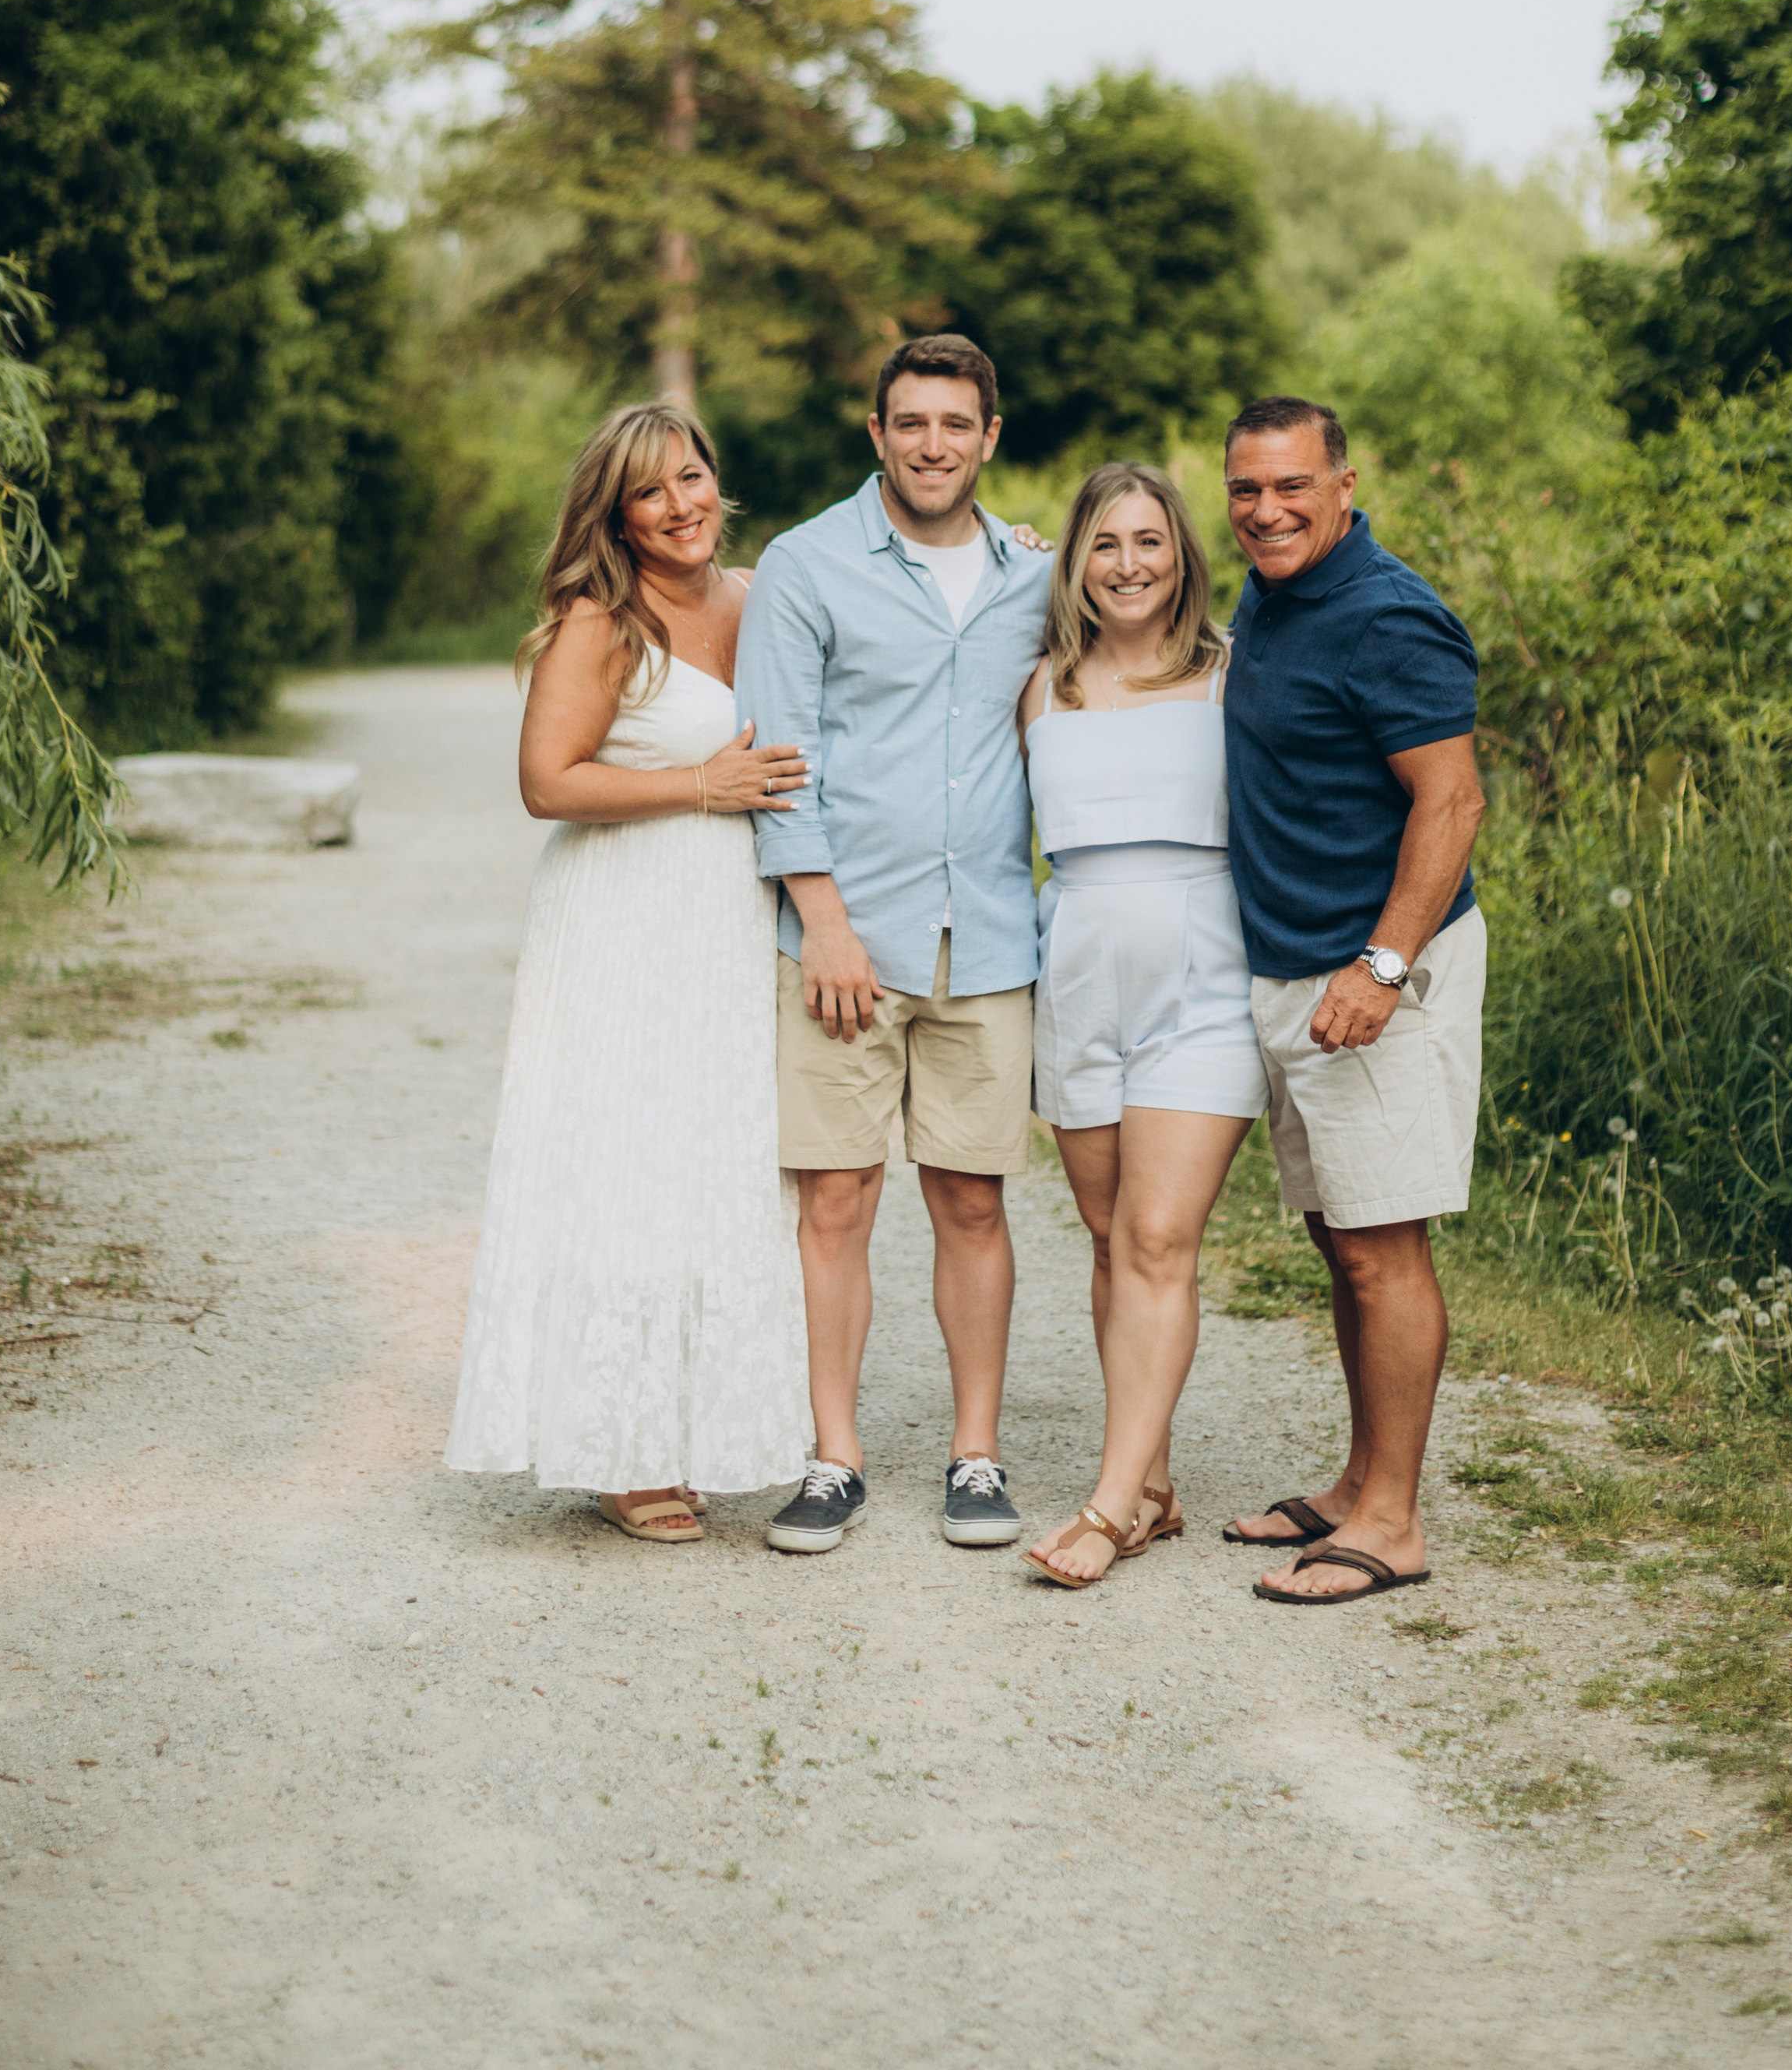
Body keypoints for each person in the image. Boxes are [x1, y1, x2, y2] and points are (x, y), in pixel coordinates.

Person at [444, 403, 812, 1538]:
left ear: (718, 479)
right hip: (619, 921)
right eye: (650, 492)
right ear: (617, 514)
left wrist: (1018, 561)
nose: (680, 506)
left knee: (714, 1166)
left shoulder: (760, 598)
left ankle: (682, 1422)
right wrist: (704, 786)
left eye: (691, 477)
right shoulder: (600, 621)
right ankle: (616, 1445)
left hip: (725, 923)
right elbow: (547, 781)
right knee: (623, 1164)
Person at [734, 334, 1051, 1554]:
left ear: (990, 438)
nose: (933, 444)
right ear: (877, 434)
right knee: (837, 1199)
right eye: (910, 422)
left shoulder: (1036, 572)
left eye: (955, 424)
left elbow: (1139, 648)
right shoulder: (806, 567)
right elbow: (780, 758)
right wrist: (822, 922)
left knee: (973, 1200)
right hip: (843, 943)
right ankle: (835, 1458)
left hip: (988, 942)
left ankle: (977, 1457)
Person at [1217, 396, 1487, 1607]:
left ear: (1344, 482)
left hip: (1374, 975)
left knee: (1384, 1250)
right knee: (1342, 1238)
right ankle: (1356, 1483)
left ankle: (1395, 1523)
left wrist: (1383, 969)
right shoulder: (1275, 595)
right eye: (1245, 490)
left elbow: (1454, 803)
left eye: (1291, 487)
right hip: (1295, 971)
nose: (1266, 511)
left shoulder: (1387, 615)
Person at [1019, 463, 1269, 1591]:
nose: (1128, 564)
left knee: (1160, 1238)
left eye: (1150, 542)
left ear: (1182, 557)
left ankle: (1110, 1505)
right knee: (1110, 1233)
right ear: (1077, 559)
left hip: (1202, 972)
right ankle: (1155, 1481)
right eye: (1106, 544)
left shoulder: (1232, 676)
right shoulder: (1042, 686)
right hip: (1075, 967)